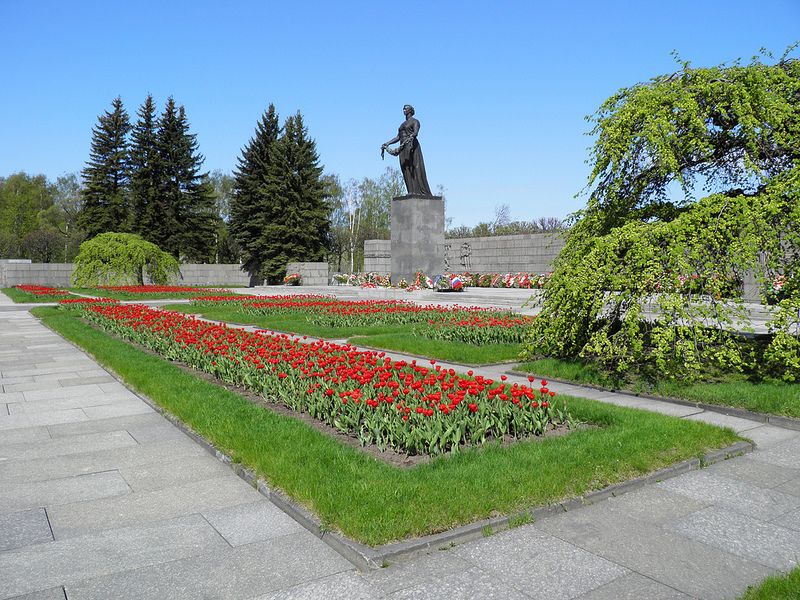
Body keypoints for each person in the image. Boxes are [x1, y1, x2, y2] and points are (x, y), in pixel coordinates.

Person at [381, 105, 433, 196]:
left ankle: (420, 191)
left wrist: (411, 137)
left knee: (414, 167)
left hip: (411, 146)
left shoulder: (415, 121)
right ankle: (411, 191)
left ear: (410, 110)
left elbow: (415, 132)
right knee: (405, 168)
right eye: (403, 108)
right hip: (402, 147)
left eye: (406, 108)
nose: (404, 110)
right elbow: (398, 137)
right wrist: (388, 143)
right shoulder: (402, 124)